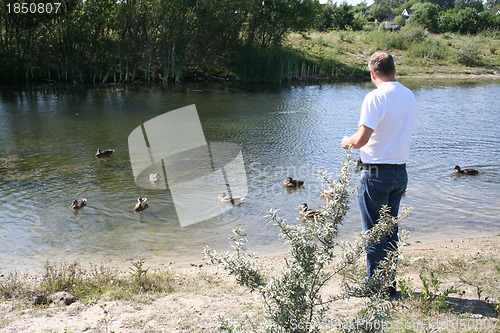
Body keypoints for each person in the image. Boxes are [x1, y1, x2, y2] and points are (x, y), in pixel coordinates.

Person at [341, 51, 417, 291]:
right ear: (394, 70)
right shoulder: (409, 95)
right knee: (390, 230)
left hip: (376, 173)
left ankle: (374, 286)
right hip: (400, 173)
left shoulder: (374, 97)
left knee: (373, 232)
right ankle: (389, 283)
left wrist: (346, 141)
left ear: (372, 73)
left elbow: (361, 140)